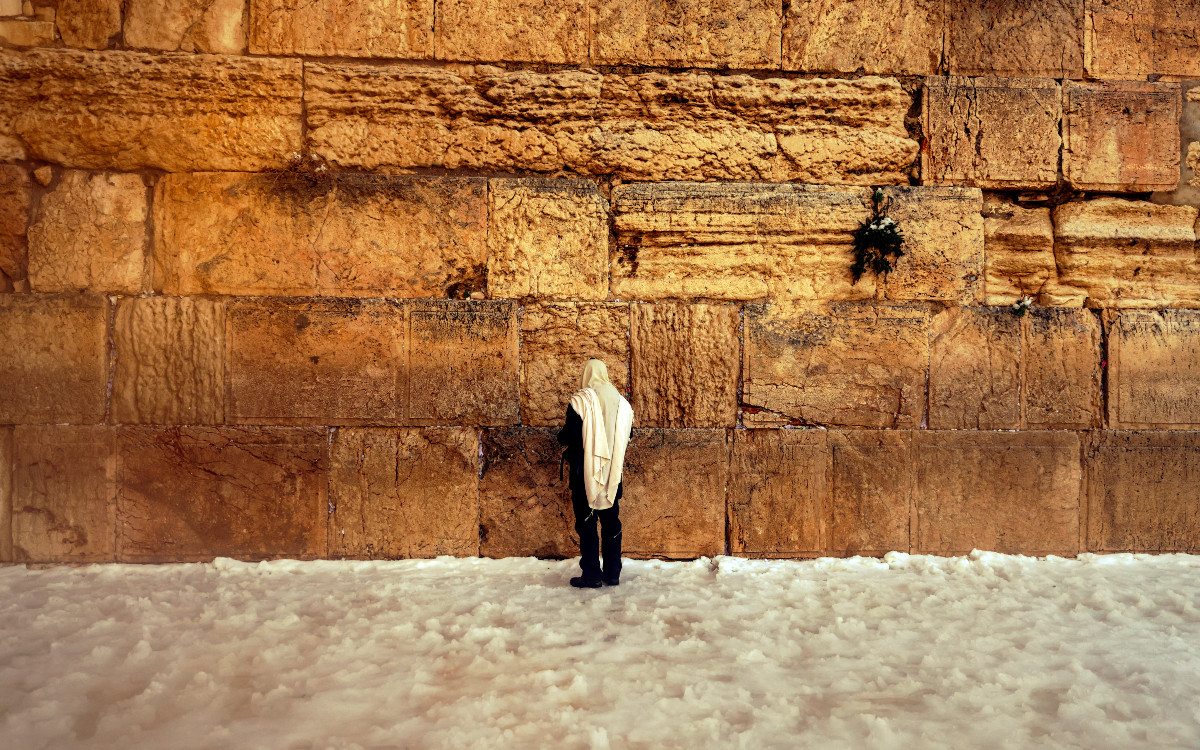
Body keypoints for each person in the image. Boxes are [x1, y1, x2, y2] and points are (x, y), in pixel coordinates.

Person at [556, 359, 634, 589]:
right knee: (611, 522)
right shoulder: (623, 405)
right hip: (612, 475)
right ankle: (612, 574)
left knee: (587, 523)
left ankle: (591, 575)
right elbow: (629, 435)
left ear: (587, 375)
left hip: (584, 475)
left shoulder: (580, 401)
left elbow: (570, 434)